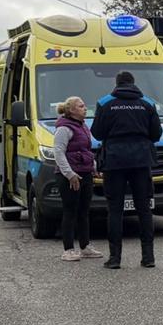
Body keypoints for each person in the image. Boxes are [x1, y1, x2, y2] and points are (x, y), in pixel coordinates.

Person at [90, 71, 163, 269]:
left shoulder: (105, 103)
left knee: (115, 209)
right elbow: (156, 134)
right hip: (141, 160)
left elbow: (97, 133)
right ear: (133, 83)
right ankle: (148, 257)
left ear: (116, 83)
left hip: (114, 161)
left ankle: (115, 258)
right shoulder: (147, 103)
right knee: (144, 209)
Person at [53, 97, 103, 262]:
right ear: (71, 110)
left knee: (84, 211)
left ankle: (85, 246)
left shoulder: (83, 126)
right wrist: (70, 174)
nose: (85, 108)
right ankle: (68, 249)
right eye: (81, 106)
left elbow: (86, 150)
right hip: (69, 176)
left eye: (84, 106)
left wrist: (93, 167)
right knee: (70, 211)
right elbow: (59, 152)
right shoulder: (64, 128)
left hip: (85, 173)